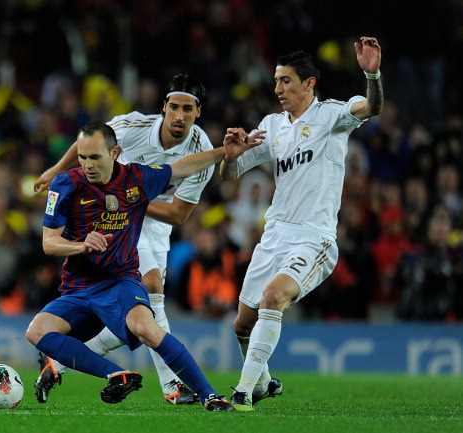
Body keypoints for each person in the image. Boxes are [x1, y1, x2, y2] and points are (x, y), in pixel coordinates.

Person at [25, 121, 260, 410]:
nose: (87, 165)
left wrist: (225, 152)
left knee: (147, 329)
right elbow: (49, 242)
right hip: (78, 288)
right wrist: (81, 245)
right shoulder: (66, 185)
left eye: (95, 157)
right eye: (83, 157)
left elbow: (182, 167)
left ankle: (209, 396)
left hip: (120, 281)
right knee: (36, 331)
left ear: (114, 153)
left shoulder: (136, 178)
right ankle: (115, 374)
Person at [219, 36, 384, 411]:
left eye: (286, 81)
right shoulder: (272, 125)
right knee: (241, 326)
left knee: (273, 298)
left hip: (313, 238)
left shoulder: (333, 115)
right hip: (274, 235)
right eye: (276, 81)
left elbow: (372, 106)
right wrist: (230, 157)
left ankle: (242, 394)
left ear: (309, 83)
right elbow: (231, 175)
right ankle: (262, 384)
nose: (277, 89)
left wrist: (371, 75)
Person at [32, 74, 215, 405]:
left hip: (147, 218)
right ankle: (172, 387)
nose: (179, 115)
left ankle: (57, 364)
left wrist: (135, 202)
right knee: (153, 287)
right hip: (111, 215)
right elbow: (88, 142)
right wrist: (54, 169)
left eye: (187, 109)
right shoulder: (133, 126)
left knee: (135, 319)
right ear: (164, 106)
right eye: (174, 106)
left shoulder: (202, 152)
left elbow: (177, 215)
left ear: (197, 112)